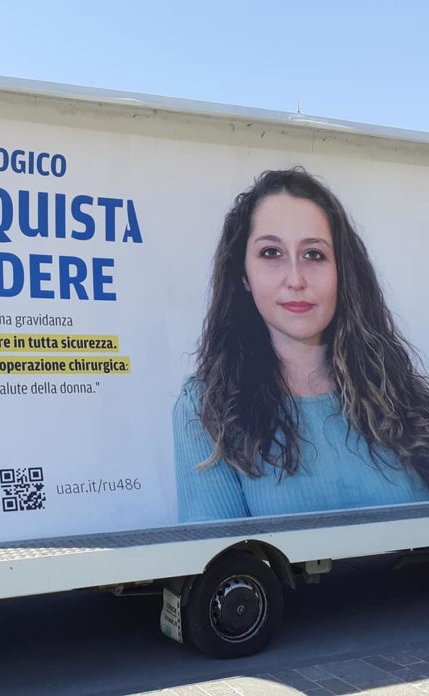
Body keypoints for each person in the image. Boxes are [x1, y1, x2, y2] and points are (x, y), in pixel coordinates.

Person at [174, 167, 429, 521]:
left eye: (314, 255)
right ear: (243, 276)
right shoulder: (206, 409)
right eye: (271, 253)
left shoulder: (409, 400)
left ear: (343, 272)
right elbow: (222, 565)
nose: (296, 279)